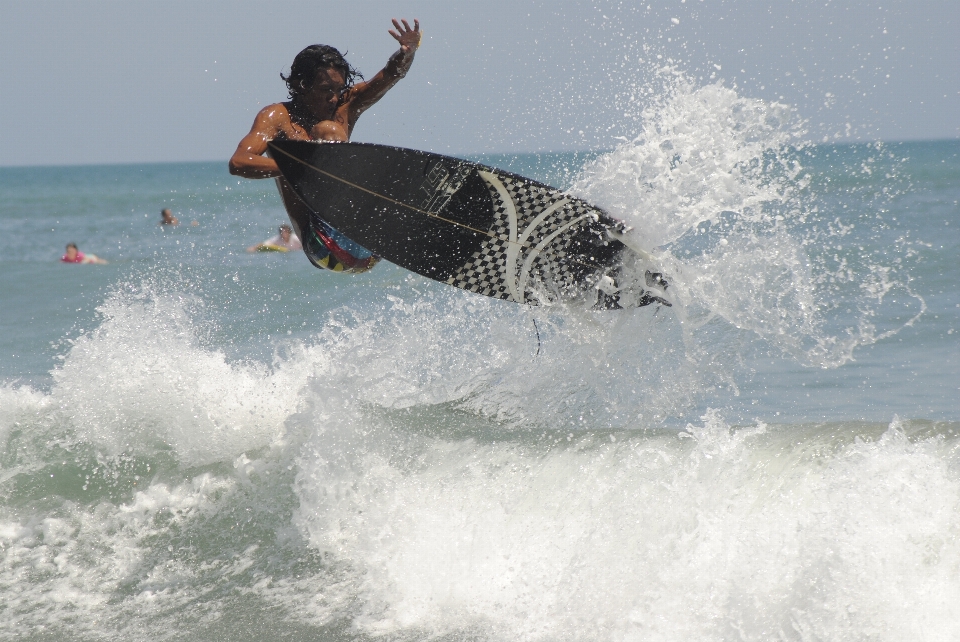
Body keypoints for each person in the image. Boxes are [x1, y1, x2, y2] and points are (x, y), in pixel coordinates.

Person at [229, 18, 421, 273]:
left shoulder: (346, 105)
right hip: (324, 245)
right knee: (327, 130)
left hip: (368, 239)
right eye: (326, 90)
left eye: (338, 89)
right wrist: (300, 165)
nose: (334, 98)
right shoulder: (276, 117)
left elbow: (389, 76)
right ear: (302, 85)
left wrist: (406, 53)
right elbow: (238, 163)